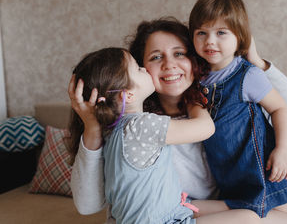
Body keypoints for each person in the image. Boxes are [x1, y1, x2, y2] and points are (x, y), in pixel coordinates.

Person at [69, 17, 287, 223]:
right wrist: (91, 128)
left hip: (206, 211)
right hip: (178, 215)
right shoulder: (138, 126)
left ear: (196, 60)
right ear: (141, 68)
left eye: (180, 53)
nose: (169, 65)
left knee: (266, 212)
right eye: (155, 57)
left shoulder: (220, 106)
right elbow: (88, 205)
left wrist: (256, 62)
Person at [69, 46, 267, 224]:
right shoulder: (143, 126)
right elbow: (205, 128)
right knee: (252, 217)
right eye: (142, 65)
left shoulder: (115, 130)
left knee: (255, 213)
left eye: (179, 53)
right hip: (171, 218)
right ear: (127, 95)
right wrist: (194, 100)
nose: (169, 64)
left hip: (179, 210)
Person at [188, 0, 287, 222]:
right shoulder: (197, 78)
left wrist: (283, 150)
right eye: (201, 33)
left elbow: (281, 109)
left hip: (262, 168)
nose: (210, 41)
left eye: (221, 32)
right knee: (251, 214)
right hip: (229, 174)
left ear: (240, 37)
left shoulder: (247, 75)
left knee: (282, 215)